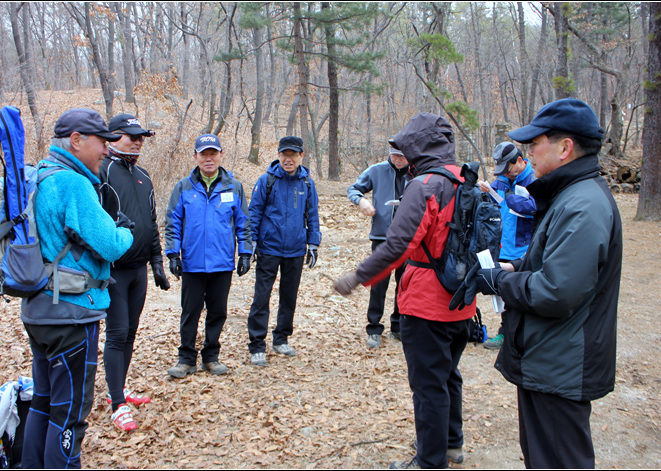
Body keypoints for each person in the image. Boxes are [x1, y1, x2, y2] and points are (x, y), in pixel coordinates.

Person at [451, 98, 622, 468]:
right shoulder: (569, 196)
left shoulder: (583, 205)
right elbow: (551, 263)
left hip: (562, 362)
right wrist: (508, 269)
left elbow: (557, 291)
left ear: (565, 147)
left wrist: (499, 280)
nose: (528, 152)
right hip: (549, 358)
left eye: (534, 143)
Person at [334, 113, 474, 469]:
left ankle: (430, 460)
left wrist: (357, 277)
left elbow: (398, 244)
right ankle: (450, 443)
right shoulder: (464, 179)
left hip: (427, 303)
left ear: (419, 146)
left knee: (428, 385)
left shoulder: (424, 186)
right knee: (448, 375)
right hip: (461, 300)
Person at [20, 108, 134, 468]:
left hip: (39, 311)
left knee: (43, 401)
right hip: (72, 315)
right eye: (102, 142)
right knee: (69, 413)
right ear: (76, 140)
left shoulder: (41, 175)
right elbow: (111, 245)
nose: (106, 150)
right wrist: (124, 230)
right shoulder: (73, 184)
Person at [99, 113, 169, 431]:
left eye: (141, 138)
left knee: (130, 333)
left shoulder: (143, 176)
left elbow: (150, 223)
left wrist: (157, 262)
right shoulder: (102, 172)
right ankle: (117, 404)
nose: (138, 142)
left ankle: (119, 388)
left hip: (139, 269)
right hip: (114, 270)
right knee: (116, 333)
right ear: (113, 136)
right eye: (132, 137)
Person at [165, 134, 252, 378]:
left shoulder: (234, 187)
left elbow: (244, 223)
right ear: (195, 157)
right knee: (190, 312)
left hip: (221, 263)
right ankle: (186, 359)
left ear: (221, 155)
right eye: (203, 154)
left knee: (217, 312)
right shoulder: (184, 187)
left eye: (213, 153)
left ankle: (211, 357)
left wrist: (245, 253)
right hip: (192, 263)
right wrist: (173, 254)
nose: (209, 158)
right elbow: (173, 222)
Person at [247, 136, 322, 367]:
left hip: (295, 249)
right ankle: (257, 345)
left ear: (301, 156)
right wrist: (251, 242)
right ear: (278, 155)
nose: (288, 159)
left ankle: (281, 339)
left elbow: (312, 215)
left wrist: (313, 244)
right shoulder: (266, 180)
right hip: (269, 248)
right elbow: (254, 212)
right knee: (261, 297)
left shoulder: (307, 183)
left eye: (293, 155)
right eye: (284, 155)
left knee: (289, 297)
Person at [347, 147, 413, 348]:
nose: (398, 159)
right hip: (382, 237)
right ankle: (374, 328)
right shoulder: (377, 170)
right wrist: (361, 201)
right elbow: (353, 189)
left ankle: (399, 326)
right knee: (379, 284)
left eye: (402, 156)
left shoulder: (417, 173)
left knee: (405, 283)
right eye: (394, 155)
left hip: (409, 238)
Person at [476, 141, 536, 350]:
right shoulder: (502, 180)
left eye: (507, 169)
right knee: (504, 292)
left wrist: (510, 198)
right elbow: (493, 204)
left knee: (522, 292)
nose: (505, 174)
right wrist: (486, 192)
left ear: (519, 160)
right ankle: (505, 332)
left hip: (524, 248)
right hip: (502, 245)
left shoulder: (533, 179)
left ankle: (523, 335)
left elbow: (535, 207)